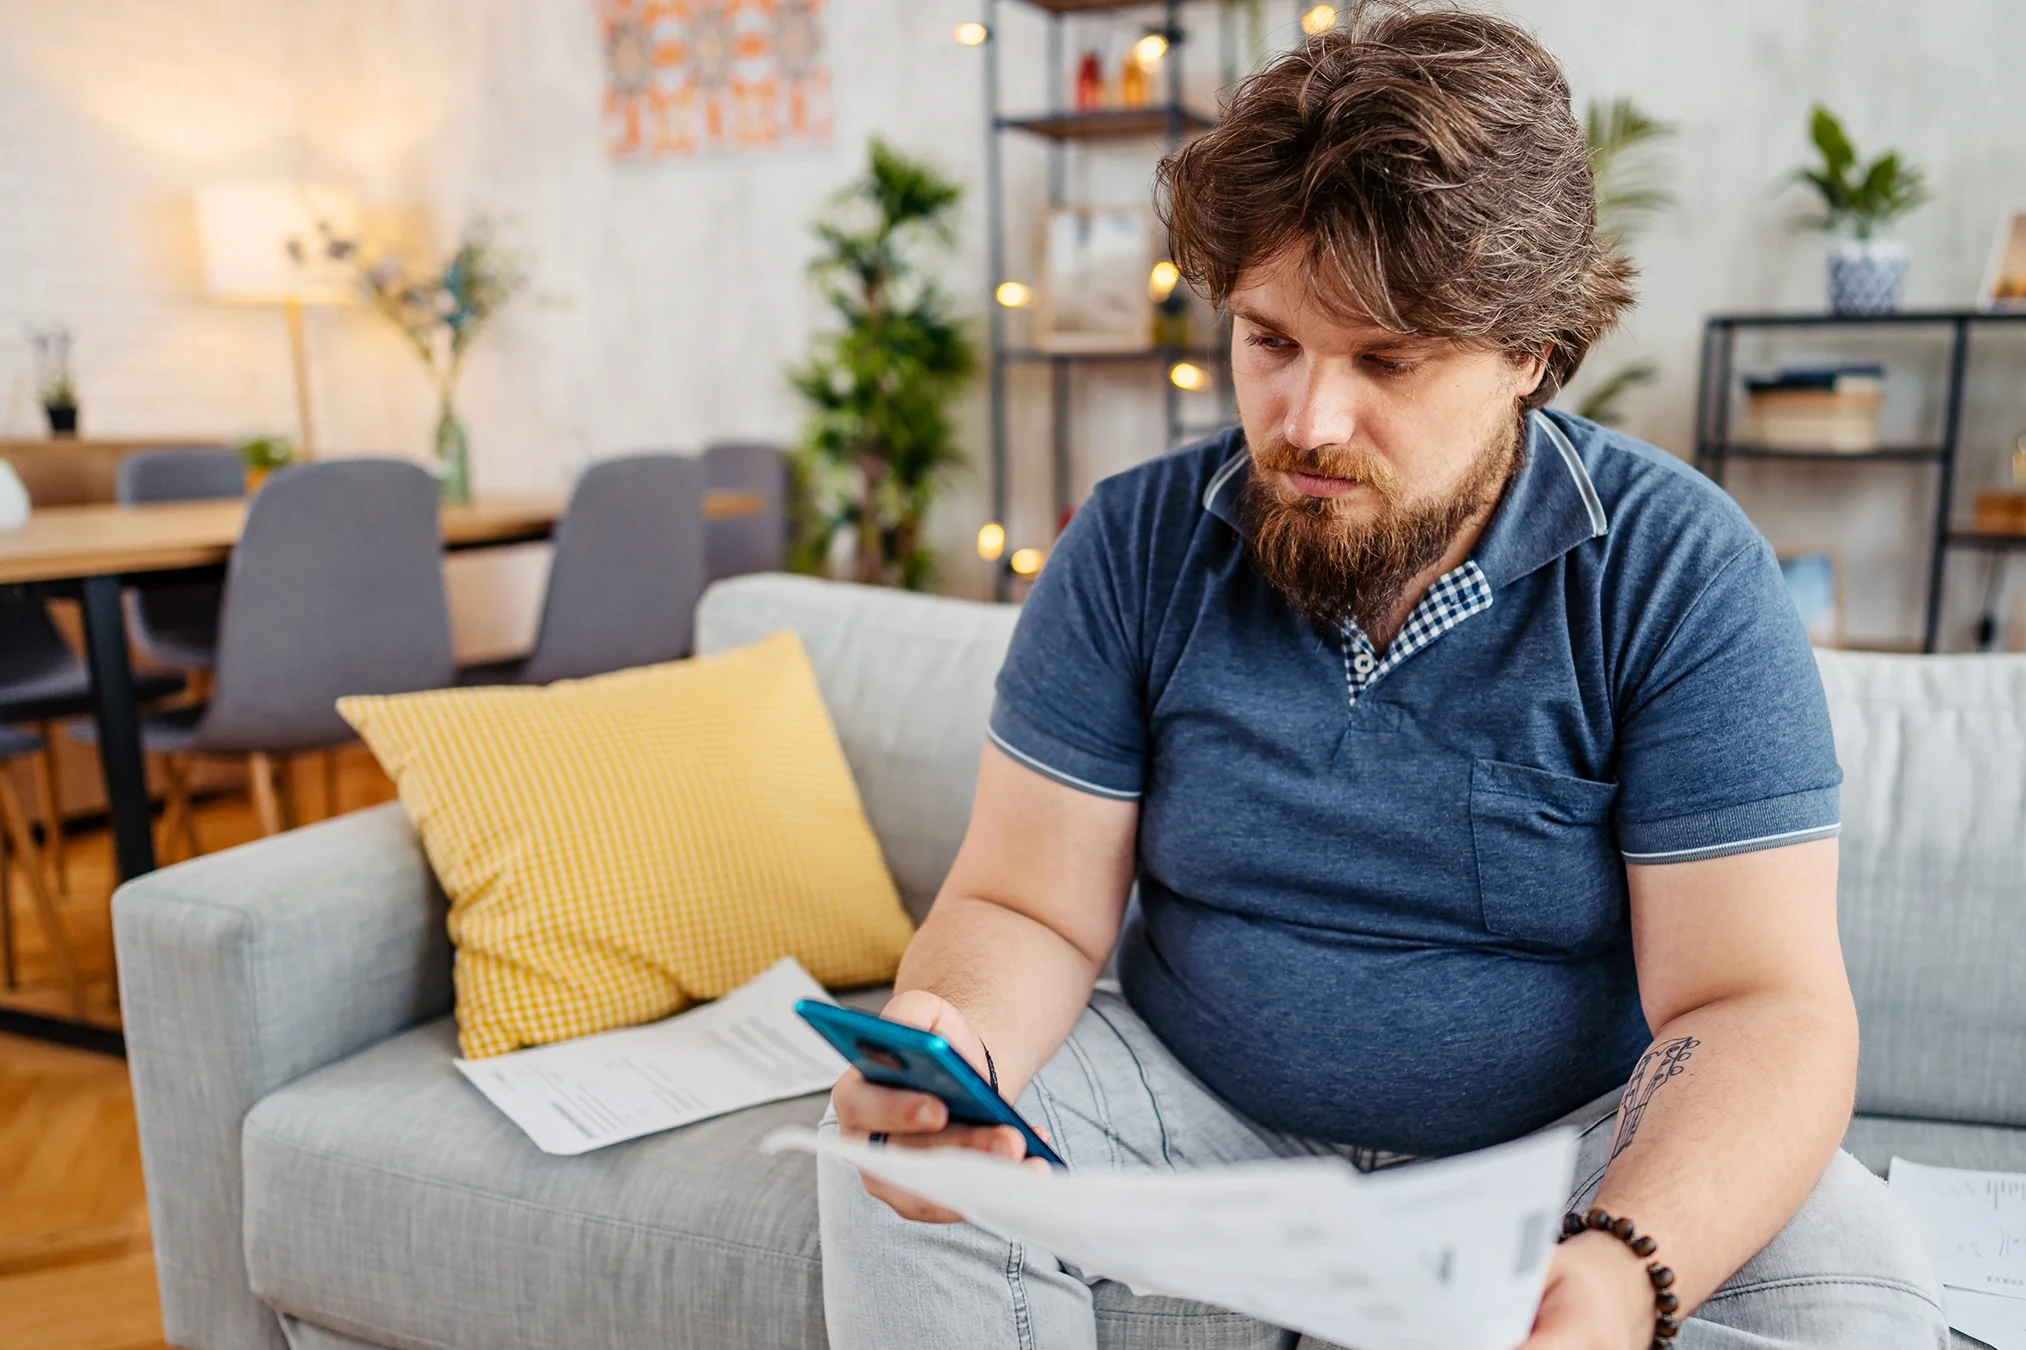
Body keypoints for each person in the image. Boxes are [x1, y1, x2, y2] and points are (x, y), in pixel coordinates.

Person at [817, 5, 1948, 1348]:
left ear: (1528, 351)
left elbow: (1756, 1000)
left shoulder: (1679, 568)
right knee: (901, 1178)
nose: (1308, 420)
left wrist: (1627, 1259)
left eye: (1388, 361)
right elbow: (1027, 906)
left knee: (1854, 1296)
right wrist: (960, 1051)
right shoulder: (1131, 545)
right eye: (1271, 342)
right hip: (1202, 1110)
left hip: (1569, 1149)